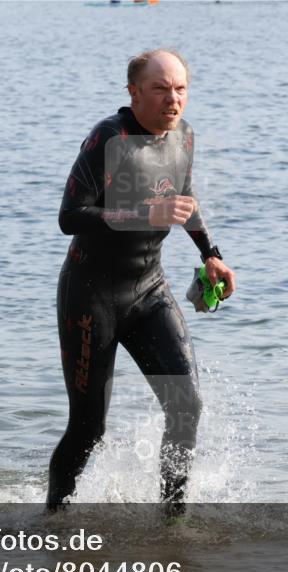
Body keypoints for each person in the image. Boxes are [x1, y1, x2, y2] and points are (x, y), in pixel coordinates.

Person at [47, 49, 236, 511]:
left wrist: (210, 254)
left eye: (180, 89)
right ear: (133, 93)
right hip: (91, 297)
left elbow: (184, 196)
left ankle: (172, 519)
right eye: (160, 89)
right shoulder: (107, 140)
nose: (173, 99)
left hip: (149, 289)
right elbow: (70, 217)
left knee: (186, 406)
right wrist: (143, 213)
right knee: (89, 428)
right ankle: (53, 518)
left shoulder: (181, 138)